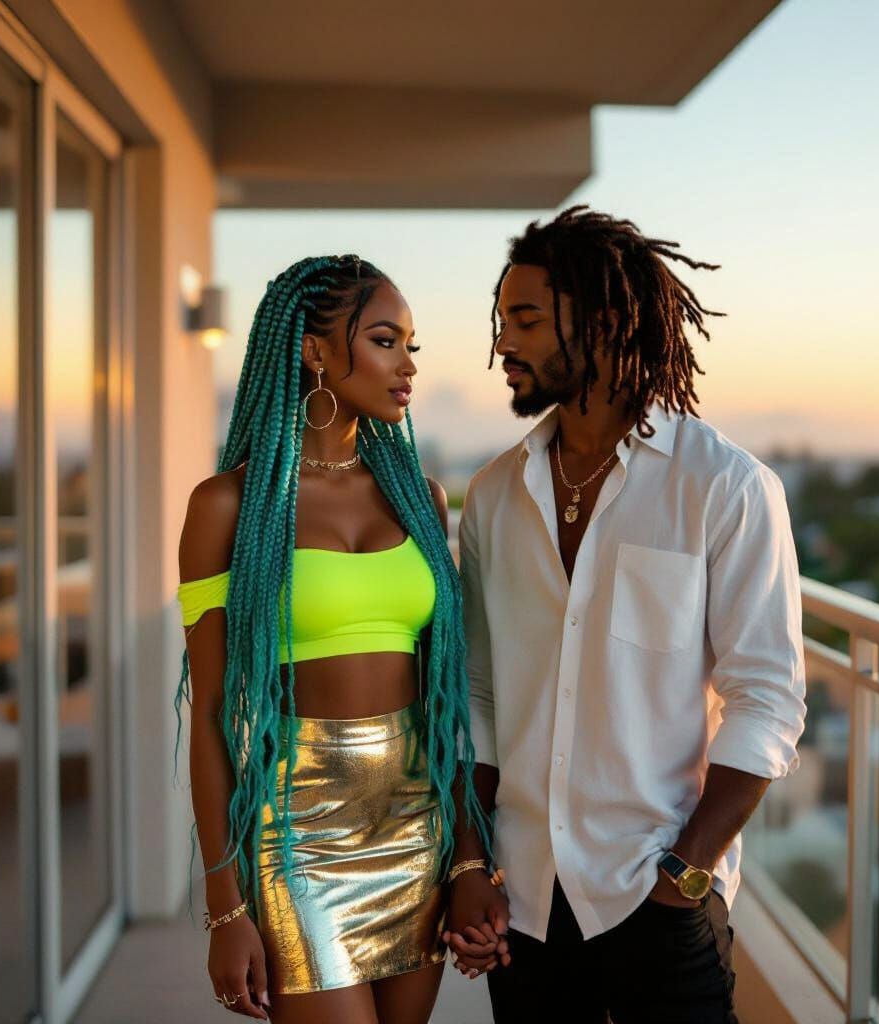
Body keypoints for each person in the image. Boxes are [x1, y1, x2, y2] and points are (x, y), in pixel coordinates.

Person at [445, 206, 808, 1022]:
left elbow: (768, 698)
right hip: (527, 903)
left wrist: (686, 874)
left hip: (658, 896)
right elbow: (477, 695)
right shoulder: (497, 493)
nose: (504, 343)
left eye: (527, 319)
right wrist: (471, 861)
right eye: (503, 321)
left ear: (606, 320)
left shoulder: (725, 487)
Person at [172, 255, 492, 1024]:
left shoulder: (421, 497)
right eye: (387, 340)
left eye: (413, 345)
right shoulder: (229, 508)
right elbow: (213, 716)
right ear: (315, 351)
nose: (408, 365)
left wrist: (471, 858)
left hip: (418, 825)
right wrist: (225, 907)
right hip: (297, 835)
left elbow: (448, 699)